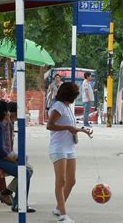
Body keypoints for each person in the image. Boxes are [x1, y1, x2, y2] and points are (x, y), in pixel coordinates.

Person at [47, 82, 92, 223]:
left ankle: (58, 208)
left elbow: (71, 127)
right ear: (69, 94)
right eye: (74, 94)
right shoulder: (59, 106)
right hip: (58, 148)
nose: (76, 96)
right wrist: (68, 128)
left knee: (71, 181)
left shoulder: (67, 107)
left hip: (70, 147)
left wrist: (81, 130)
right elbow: (50, 125)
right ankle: (63, 215)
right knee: (61, 181)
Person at [0, 100, 35, 213]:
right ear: (4, 113)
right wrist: (14, 162)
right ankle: (18, 204)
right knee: (24, 171)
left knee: (25, 170)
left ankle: (16, 200)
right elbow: (1, 152)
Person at [0, 102, 34, 206]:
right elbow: (5, 149)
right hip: (5, 156)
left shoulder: (9, 123)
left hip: (7, 154)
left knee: (26, 165)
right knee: (27, 170)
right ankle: (8, 194)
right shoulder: (5, 124)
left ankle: (7, 192)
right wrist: (13, 160)